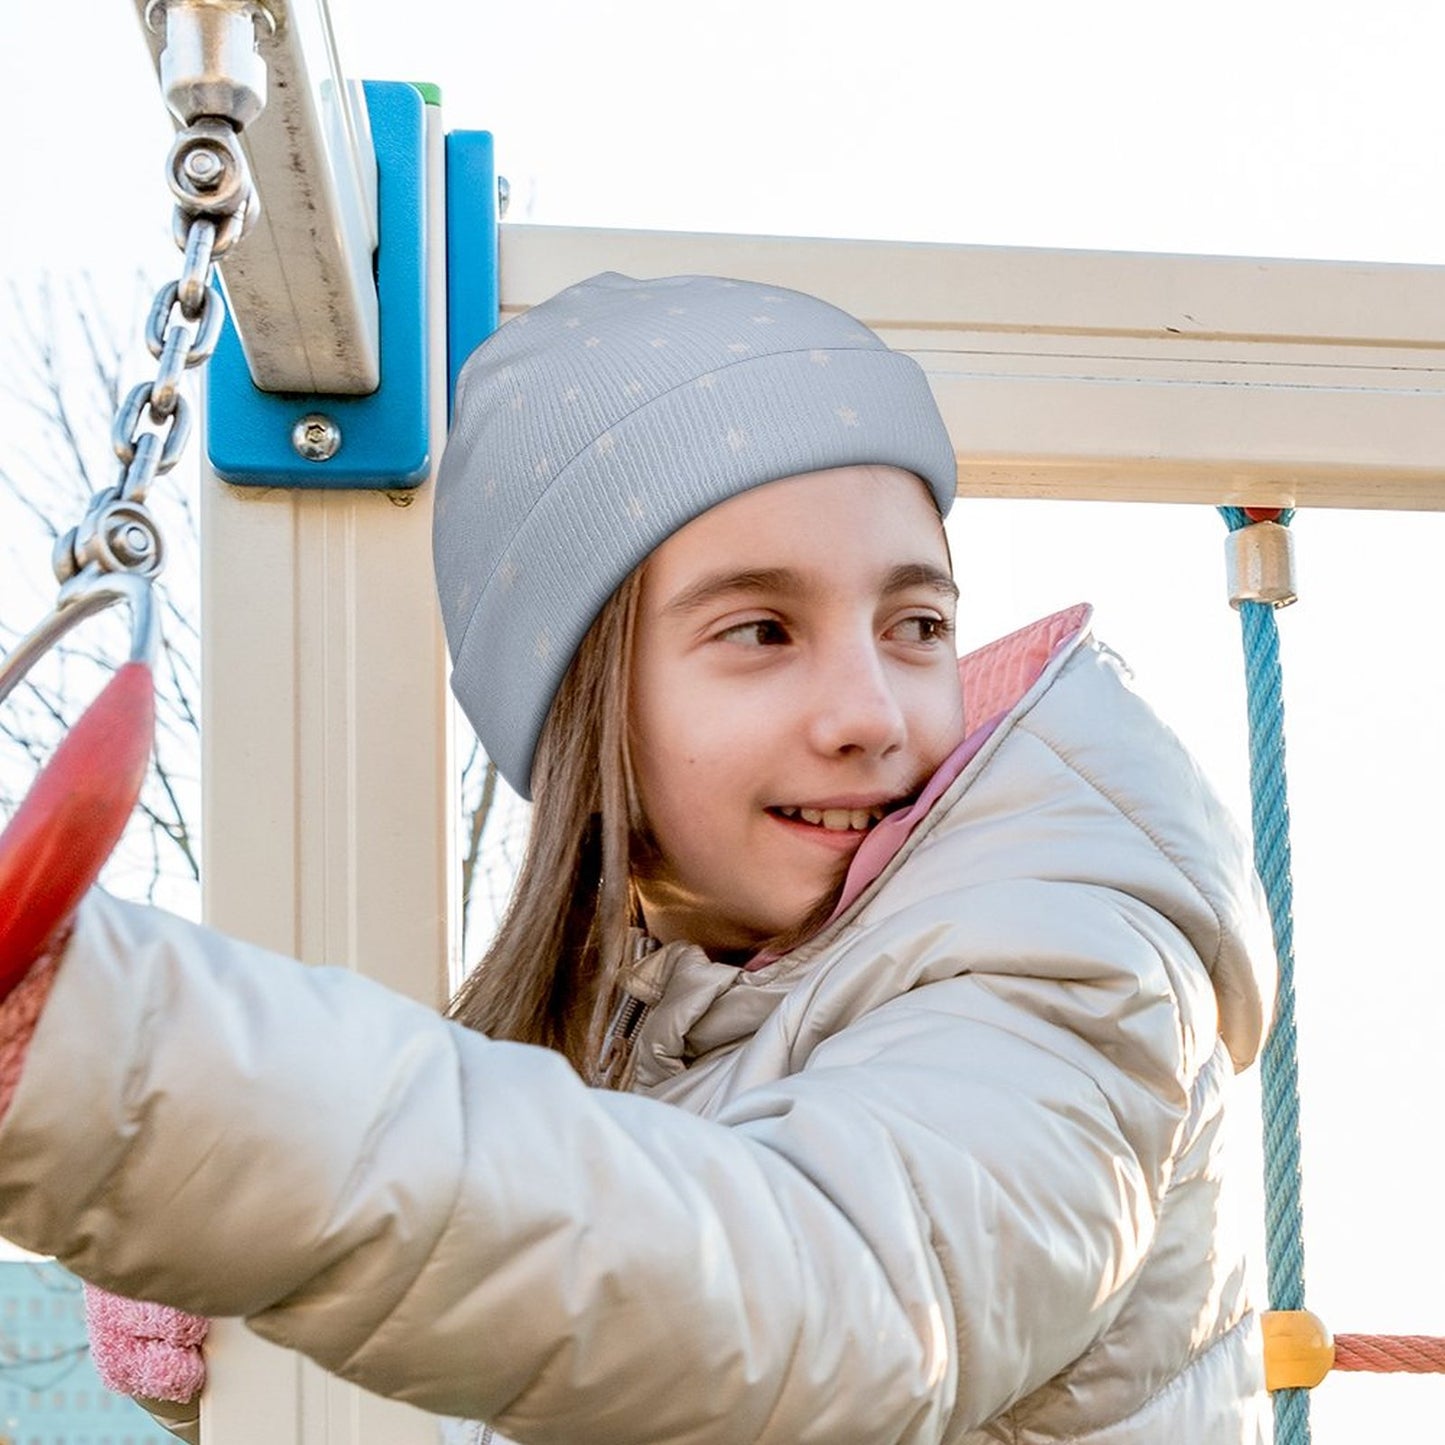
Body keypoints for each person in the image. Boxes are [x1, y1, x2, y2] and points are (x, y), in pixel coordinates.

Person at [0, 272, 1275, 1444]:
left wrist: (135, 1078)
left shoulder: (1064, 964)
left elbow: (811, 1303)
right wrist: (245, 1312)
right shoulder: (658, 1025)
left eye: (917, 621)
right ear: (584, 705)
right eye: (763, 629)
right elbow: (595, 1316)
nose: (872, 710)